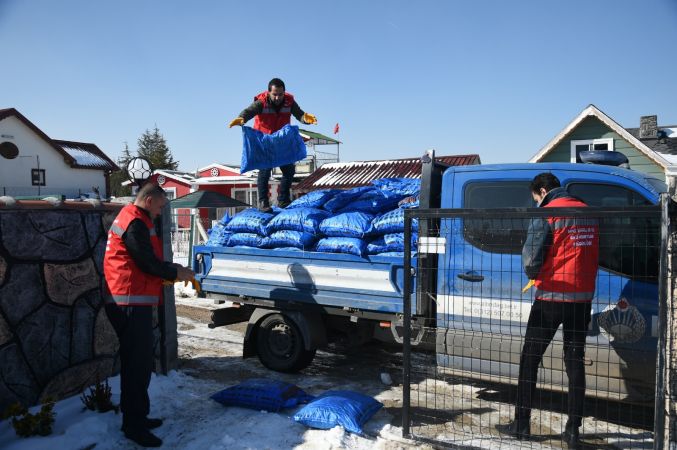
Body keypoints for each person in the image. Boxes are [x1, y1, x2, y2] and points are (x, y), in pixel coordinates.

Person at [497, 173, 599, 448]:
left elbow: (531, 259)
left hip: (553, 295)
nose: (537, 202)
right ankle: (573, 430)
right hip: (582, 299)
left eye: (536, 198)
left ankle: (521, 424)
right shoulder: (588, 212)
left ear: (542, 191)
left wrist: (535, 272)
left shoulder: (548, 213)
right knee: (575, 363)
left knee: (530, 359)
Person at [103, 182, 194, 447]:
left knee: (139, 363)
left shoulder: (136, 219)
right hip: (128, 301)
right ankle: (133, 426)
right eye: (162, 205)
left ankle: (138, 417)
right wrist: (175, 271)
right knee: (137, 366)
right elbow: (146, 262)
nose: (162, 211)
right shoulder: (135, 222)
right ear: (150, 200)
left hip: (130, 299)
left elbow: (145, 262)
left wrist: (169, 271)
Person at [228, 78, 317, 212]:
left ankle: (283, 200)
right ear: (269, 92)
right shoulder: (261, 102)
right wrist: (242, 118)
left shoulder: (289, 101)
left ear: (284, 93)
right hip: (265, 141)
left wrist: (306, 119)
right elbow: (249, 111)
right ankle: (263, 203)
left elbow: (299, 114)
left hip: (281, 141)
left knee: (289, 170)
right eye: (274, 94)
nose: (277, 97)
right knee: (264, 171)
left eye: (280, 94)